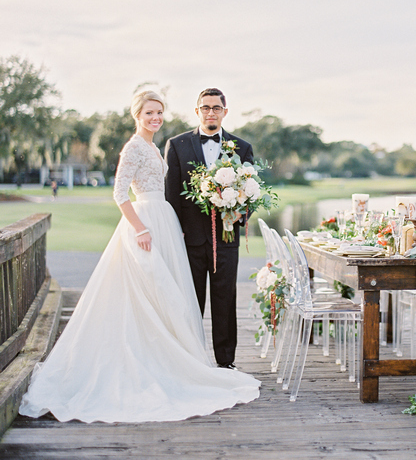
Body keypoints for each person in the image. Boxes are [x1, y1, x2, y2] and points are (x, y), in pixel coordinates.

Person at [19, 91, 260, 423]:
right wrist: (141, 229)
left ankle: (186, 359)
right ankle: (159, 362)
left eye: (159, 112)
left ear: (224, 111)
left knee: (165, 295)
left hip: (170, 227)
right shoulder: (142, 146)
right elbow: (123, 192)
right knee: (154, 293)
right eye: (149, 113)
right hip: (149, 226)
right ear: (137, 115)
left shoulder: (153, 146)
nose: (155, 118)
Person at [164, 87, 253, 370]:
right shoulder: (176, 145)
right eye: (205, 107)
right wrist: (175, 232)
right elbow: (172, 194)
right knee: (190, 301)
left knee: (225, 300)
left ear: (225, 112)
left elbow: (250, 193)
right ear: (197, 111)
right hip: (190, 238)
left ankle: (226, 362)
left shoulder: (242, 147)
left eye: (216, 108)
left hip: (226, 238)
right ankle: (191, 359)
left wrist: (240, 212)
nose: (211, 112)